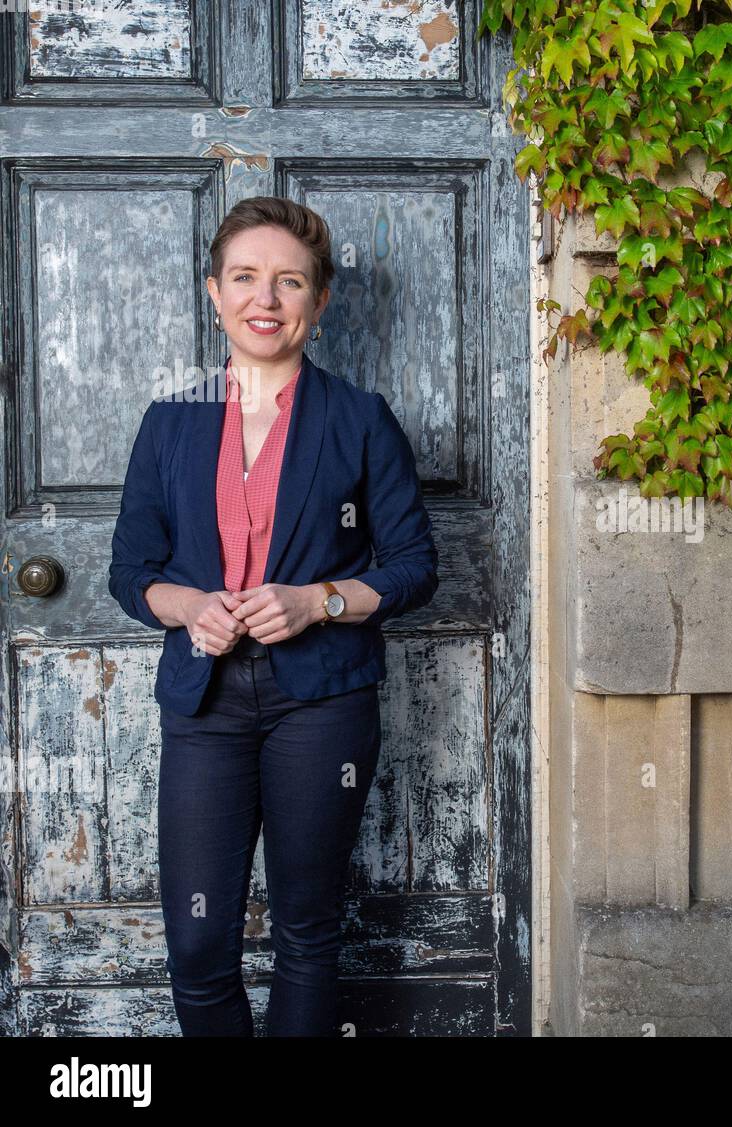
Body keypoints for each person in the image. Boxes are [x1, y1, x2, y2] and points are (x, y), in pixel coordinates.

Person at [108, 196, 439, 1036]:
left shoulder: (360, 420)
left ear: (318, 303)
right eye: (246, 278)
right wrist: (190, 609)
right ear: (214, 293)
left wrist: (316, 600)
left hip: (321, 705)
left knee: (306, 932)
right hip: (205, 704)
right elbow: (130, 571)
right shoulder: (168, 419)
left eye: (290, 281)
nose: (266, 298)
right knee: (195, 942)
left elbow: (412, 567)